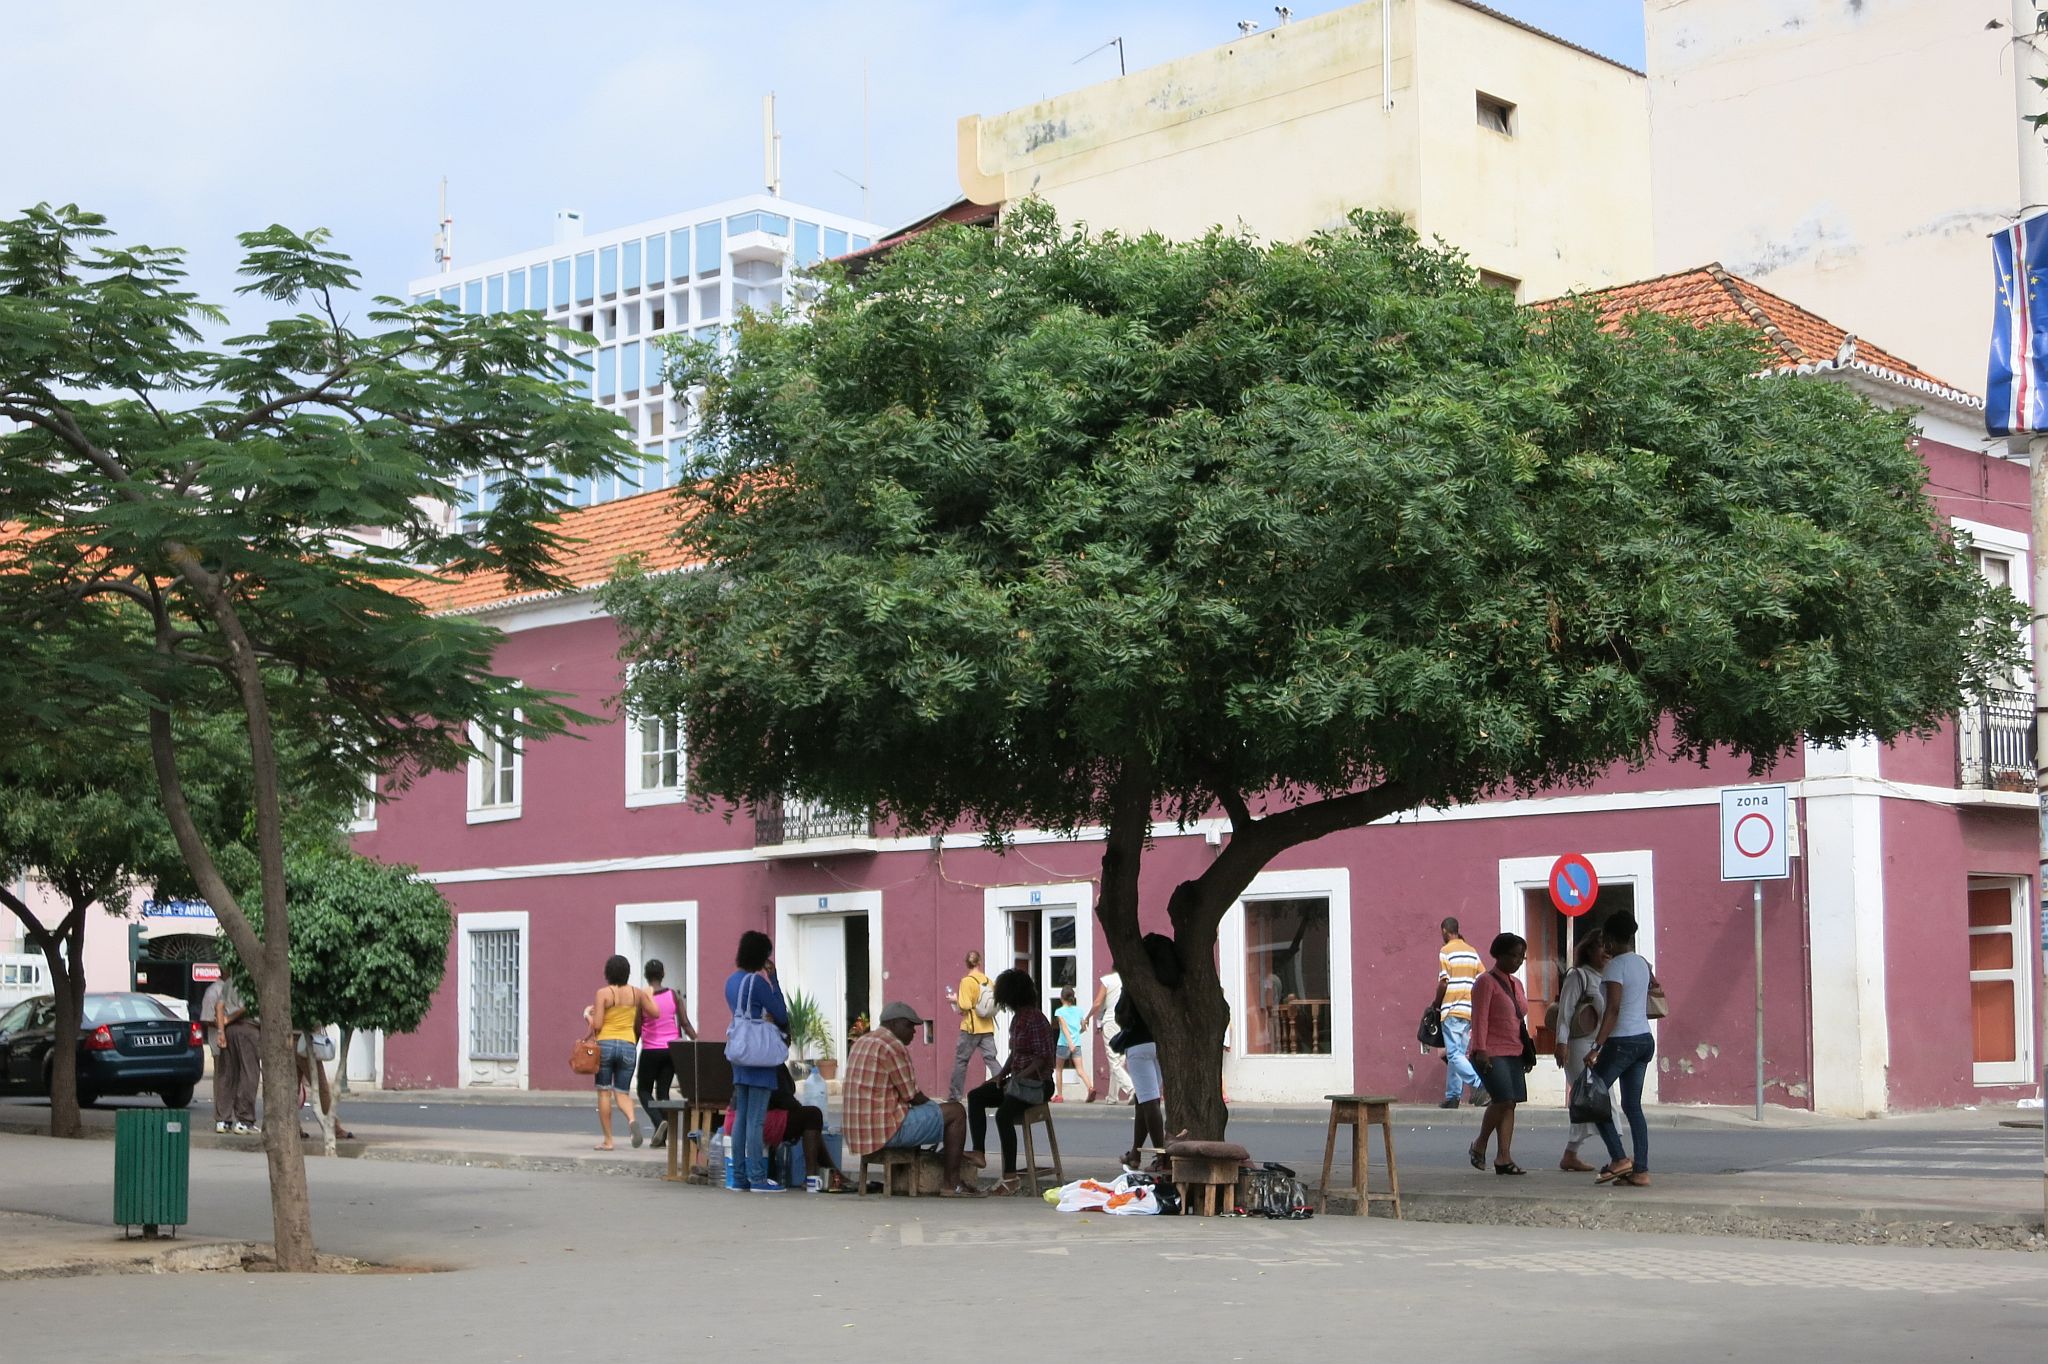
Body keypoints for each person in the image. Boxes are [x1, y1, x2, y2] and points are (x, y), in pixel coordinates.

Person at [843, 1000, 979, 1197]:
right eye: (909, 1026)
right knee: (956, 1112)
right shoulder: (892, 1046)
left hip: (857, 1133)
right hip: (883, 1131)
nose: (913, 1032)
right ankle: (952, 1183)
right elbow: (912, 1096)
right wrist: (935, 1109)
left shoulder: (862, 1041)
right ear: (894, 1023)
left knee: (931, 1113)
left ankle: (945, 1158)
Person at [1584, 912, 1657, 1187]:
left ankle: (1618, 1159)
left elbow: (1613, 1009)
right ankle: (1640, 1170)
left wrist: (1596, 1047)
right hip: (1644, 1039)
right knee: (1632, 1106)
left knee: (1593, 1099)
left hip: (1621, 1041)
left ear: (1612, 940)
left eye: (1605, 940)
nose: (1604, 945)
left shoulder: (1614, 967)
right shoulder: (1642, 963)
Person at [966, 970, 1056, 1194]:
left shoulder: (1035, 1019)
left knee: (1003, 1116)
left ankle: (1010, 1177)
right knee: (976, 1097)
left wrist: (1020, 1076)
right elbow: (1015, 1054)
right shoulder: (1018, 1019)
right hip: (1018, 1082)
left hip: (1038, 1084)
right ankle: (978, 1152)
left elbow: (1042, 1057)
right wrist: (1001, 1075)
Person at [724, 931, 790, 1192]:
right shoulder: (758, 982)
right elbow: (781, 1014)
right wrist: (773, 979)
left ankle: (739, 1176)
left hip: (740, 1053)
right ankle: (758, 1177)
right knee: (756, 1119)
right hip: (760, 1056)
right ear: (761, 956)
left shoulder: (731, 982)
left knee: (741, 1116)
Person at [1466, 932, 1535, 1176]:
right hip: (1491, 1051)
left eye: (1521, 957)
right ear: (1500, 955)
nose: (1517, 961)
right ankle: (1480, 1143)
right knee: (1502, 1099)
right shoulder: (1485, 982)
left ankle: (1504, 1157)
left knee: (1510, 1104)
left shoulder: (1517, 984)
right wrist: (1480, 1049)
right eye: (1513, 955)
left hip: (1514, 1050)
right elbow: (1480, 1018)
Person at [1109, 933, 1180, 1170]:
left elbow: (1122, 1014)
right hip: (1160, 1045)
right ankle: (1135, 1154)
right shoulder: (1167, 979)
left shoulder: (1138, 979)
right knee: (1143, 1099)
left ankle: (1162, 1157)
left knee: (1150, 1102)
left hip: (1138, 1045)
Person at [1553, 934, 1617, 1173]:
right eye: (1601, 946)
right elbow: (1565, 1012)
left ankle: (1570, 1154)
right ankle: (1618, 1154)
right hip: (1579, 1044)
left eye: (1608, 947)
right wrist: (1561, 1043)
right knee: (1601, 1097)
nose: (1606, 952)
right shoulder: (1578, 976)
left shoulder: (1608, 977)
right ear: (1589, 950)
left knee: (1587, 1100)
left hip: (1599, 1045)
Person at [585, 954, 655, 1152]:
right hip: (628, 1045)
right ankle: (632, 1120)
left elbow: (598, 1025)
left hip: (606, 1045)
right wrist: (648, 994)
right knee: (622, 1092)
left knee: (604, 1092)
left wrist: (587, 1016)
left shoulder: (603, 993)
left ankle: (608, 1140)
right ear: (627, 973)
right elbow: (655, 1012)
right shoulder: (636, 993)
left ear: (607, 973)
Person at [637, 958, 697, 1147]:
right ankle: (662, 1139)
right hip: (671, 1050)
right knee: (663, 1092)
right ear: (663, 974)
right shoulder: (673, 995)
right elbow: (685, 1023)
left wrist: (632, 1045)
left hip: (651, 1050)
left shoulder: (643, 998)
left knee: (643, 1090)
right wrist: (697, 1041)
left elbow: (637, 1026)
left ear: (646, 976)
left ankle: (659, 1122)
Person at [1432, 917, 1485, 1109]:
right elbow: (1483, 978)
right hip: (1468, 1010)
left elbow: (1444, 982)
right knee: (1458, 1054)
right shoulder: (1472, 952)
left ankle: (1480, 1085)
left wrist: (1436, 1003)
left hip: (1452, 1008)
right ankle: (1453, 1096)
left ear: (1445, 931)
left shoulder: (1445, 951)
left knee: (1453, 1054)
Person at [945, 950, 999, 1103]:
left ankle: (955, 1096)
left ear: (966, 964)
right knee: (991, 1059)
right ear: (979, 962)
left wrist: (955, 999)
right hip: (987, 1026)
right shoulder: (988, 981)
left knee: (961, 1061)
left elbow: (965, 1005)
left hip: (971, 1027)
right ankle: (1005, 1087)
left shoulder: (966, 981)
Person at [214, 978, 260, 1135]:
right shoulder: (253, 979)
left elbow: (219, 1006)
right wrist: (230, 1019)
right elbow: (246, 1007)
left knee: (227, 1074)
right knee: (249, 1074)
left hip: (229, 1031)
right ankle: (244, 1120)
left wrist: (221, 1031)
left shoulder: (229, 981)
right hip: (249, 1028)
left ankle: (223, 1120)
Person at [1089, 970, 1133, 1104]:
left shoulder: (1107, 980)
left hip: (1111, 1021)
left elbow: (1098, 1003)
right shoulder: (1128, 980)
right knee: (1119, 1060)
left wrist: (1087, 1017)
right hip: (1124, 1022)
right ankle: (1112, 1097)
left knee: (1114, 1061)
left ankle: (1131, 1089)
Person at [199, 976, 229, 1134]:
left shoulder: (232, 988)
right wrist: (223, 1023)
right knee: (221, 1077)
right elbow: (206, 1018)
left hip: (231, 1040)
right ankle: (221, 1115)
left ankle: (227, 1115)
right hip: (219, 1042)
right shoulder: (214, 991)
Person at [1052, 985, 1091, 1102]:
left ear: (1061, 998)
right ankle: (1090, 1087)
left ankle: (1059, 1095)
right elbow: (1083, 1027)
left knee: (1059, 1069)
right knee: (1080, 1070)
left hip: (1063, 1044)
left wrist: (1070, 1043)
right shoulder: (1079, 1011)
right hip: (1077, 1043)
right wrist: (1076, 1035)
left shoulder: (1059, 1011)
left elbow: (1064, 1028)